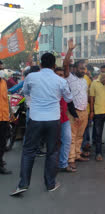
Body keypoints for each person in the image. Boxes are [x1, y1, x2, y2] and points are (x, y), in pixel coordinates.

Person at [10, 53, 73, 195]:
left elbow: (25, 92)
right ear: (54, 65)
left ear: (40, 64)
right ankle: (50, 184)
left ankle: (23, 184)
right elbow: (69, 98)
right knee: (52, 152)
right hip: (53, 120)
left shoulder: (31, 77)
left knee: (28, 151)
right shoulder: (60, 81)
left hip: (36, 119)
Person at [63, 40, 90, 169]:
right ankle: (71, 158)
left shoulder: (85, 81)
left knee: (80, 135)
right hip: (73, 112)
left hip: (84, 111)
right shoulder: (69, 77)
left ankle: (78, 154)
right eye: (80, 68)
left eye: (84, 68)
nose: (83, 70)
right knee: (72, 137)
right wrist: (70, 50)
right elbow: (65, 64)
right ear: (75, 69)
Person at [54, 67, 79, 173]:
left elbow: (70, 102)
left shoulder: (65, 86)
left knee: (67, 140)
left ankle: (63, 164)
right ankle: (53, 164)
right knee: (54, 142)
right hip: (52, 119)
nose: (60, 77)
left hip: (64, 118)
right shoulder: (50, 87)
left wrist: (75, 115)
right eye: (58, 75)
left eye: (62, 75)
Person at [0, 66, 12, 175]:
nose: (2, 71)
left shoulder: (3, 82)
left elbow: (6, 98)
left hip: (4, 117)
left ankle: (1, 161)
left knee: (3, 141)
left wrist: (10, 112)